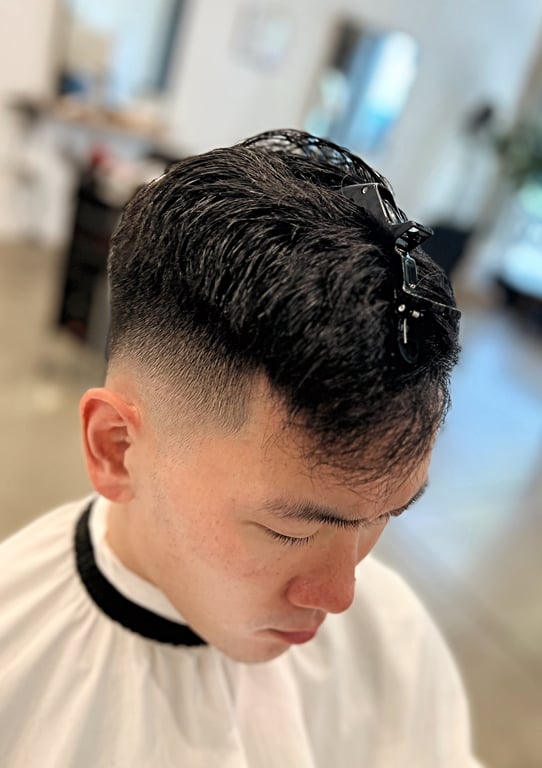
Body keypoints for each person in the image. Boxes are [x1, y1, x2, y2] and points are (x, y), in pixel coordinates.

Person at [0, 129, 482, 767]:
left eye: (383, 516)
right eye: (289, 530)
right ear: (117, 448)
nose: (341, 595)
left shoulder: (392, 639)